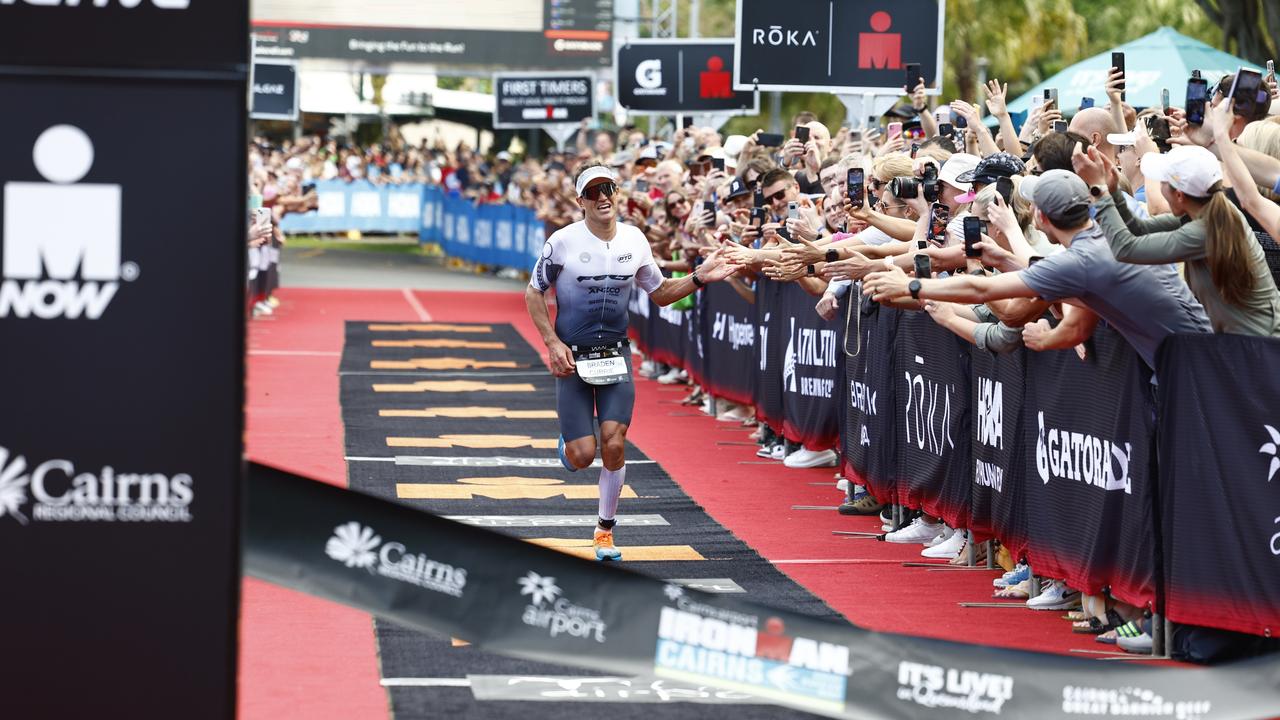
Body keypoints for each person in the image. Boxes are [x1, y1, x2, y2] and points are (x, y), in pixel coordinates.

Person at [525, 165, 741, 561]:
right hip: (573, 355)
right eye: (593, 192)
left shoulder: (635, 240)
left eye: (608, 188)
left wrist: (700, 276)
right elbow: (534, 292)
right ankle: (569, 447)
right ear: (581, 202)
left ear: (617, 192)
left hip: (614, 354)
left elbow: (659, 293)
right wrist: (552, 344)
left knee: (614, 442)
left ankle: (605, 531)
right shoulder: (562, 243)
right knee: (582, 455)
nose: (603, 196)